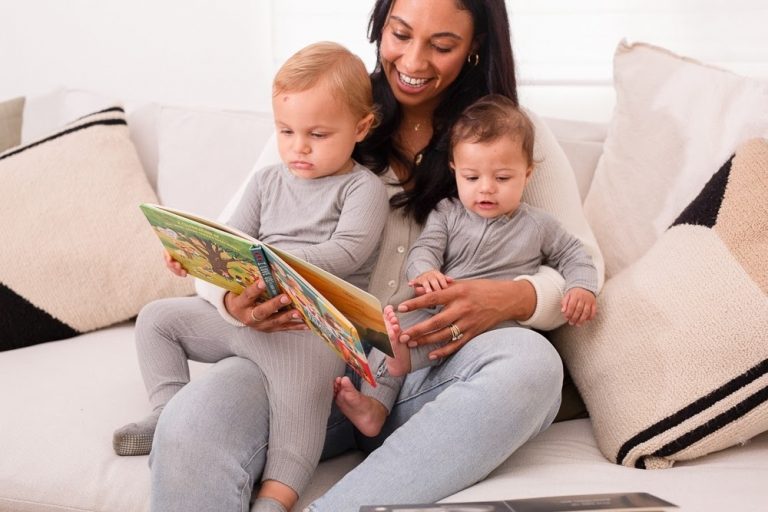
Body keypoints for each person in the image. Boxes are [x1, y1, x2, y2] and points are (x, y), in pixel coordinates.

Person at [148, 1, 605, 511]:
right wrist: (233, 302)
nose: (412, 61)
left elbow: (580, 260)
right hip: (301, 358)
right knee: (190, 422)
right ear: (379, 26)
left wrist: (514, 297)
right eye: (400, 34)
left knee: (532, 366)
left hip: (422, 372)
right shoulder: (323, 109)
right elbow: (222, 245)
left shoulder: (508, 131)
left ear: (475, 46)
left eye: (442, 45)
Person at [113, 41, 389, 511]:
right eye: (285, 131)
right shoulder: (266, 181)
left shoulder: (363, 187)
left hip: (308, 332)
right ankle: (166, 409)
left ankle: (277, 496)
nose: (298, 147)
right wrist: (198, 257)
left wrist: (275, 259)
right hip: (247, 320)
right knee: (157, 319)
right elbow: (233, 239)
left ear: (361, 127)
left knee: (297, 412)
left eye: (318, 135)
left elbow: (347, 251)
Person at [335, 94, 599, 436]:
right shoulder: (447, 213)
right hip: (441, 311)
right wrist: (426, 273)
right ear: (454, 170)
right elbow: (424, 249)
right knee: (396, 326)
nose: (486, 189)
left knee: (511, 347)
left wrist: (581, 287)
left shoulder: (539, 225)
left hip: (497, 326)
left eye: (503, 178)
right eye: (472, 178)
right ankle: (376, 407)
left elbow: (576, 256)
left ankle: (406, 368)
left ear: (528, 173)